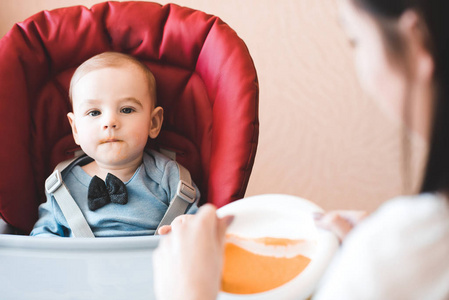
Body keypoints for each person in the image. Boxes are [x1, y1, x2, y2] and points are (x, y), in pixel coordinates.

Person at [152, 0, 449, 299]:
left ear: (416, 42)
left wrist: (189, 290)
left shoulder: (406, 250)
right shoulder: (401, 250)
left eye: (355, 40)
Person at [30, 52, 199, 237]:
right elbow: (41, 240)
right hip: (82, 266)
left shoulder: (172, 178)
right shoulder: (62, 184)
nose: (110, 121)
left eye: (127, 109)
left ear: (153, 123)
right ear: (76, 129)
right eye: (94, 112)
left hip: (154, 265)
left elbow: (202, 230)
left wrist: (191, 227)